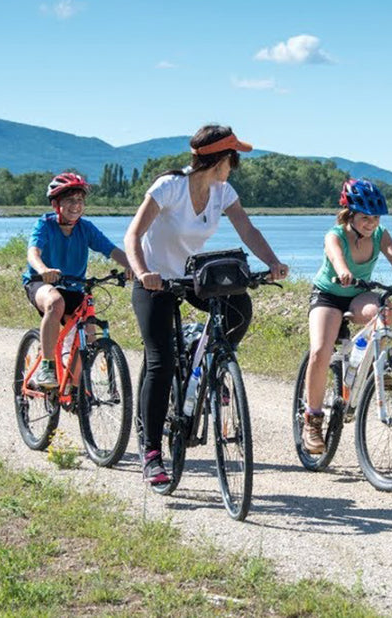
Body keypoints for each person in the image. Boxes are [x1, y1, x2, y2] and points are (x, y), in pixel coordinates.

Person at [124, 124, 289, 485]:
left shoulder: (223, 191)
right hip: (155, 282)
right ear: (221, 159)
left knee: (239, 306)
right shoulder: (169, 188)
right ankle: (151, 451)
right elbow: (133, 234)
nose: (235, 165)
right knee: (161, 362)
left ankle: (215, 360)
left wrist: (272, 263)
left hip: (191, 279)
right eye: (233, 158)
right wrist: (142, 272)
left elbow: (248, 231)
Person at [301, 178, 392, 455]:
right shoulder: (334, 234)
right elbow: (337, 256)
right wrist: (342, 270)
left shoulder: (379, 234)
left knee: (385, 309)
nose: (371, 223)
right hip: (329, 294)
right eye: (365, 217)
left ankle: (373, 367)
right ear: (349, 213)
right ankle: (312, 420)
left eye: (375, 217)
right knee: (320, 351)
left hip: (357, 293)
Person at [23, 172, 131, 389]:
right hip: (42, 283)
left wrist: (133, 267)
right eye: (70, 200)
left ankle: (72, 388)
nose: (76, 205)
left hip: (74, 286)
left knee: (89, 337)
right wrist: (44, 269)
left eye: (80, 201)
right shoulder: (45, 224)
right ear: (56, 203)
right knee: (55, 303)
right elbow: (33, 252)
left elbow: (111, 250)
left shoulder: (85, 228)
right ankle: (47, 365)